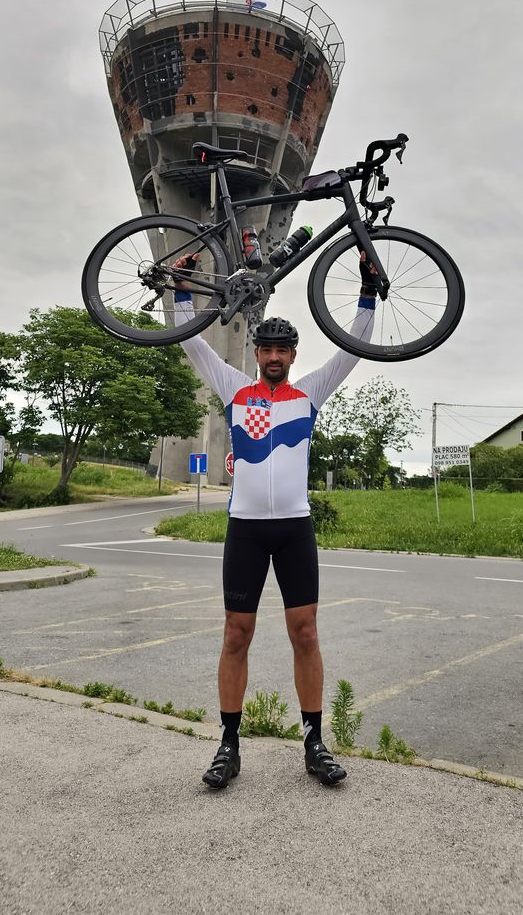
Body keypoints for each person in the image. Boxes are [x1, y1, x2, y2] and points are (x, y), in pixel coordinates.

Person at [171, 251, 378, 790]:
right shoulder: (234, 389)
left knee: (305, 633)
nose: (274, 356)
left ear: (292, 355)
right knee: (236, 633)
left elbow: (354, 348)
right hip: (245, 527)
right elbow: (191, 341)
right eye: (267, 348)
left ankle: (313, 741)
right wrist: (182, 291)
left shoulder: (308, 392)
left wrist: (367, 291)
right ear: (257, 352)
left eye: (283, 349)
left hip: (294, 528)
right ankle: (228, 743)